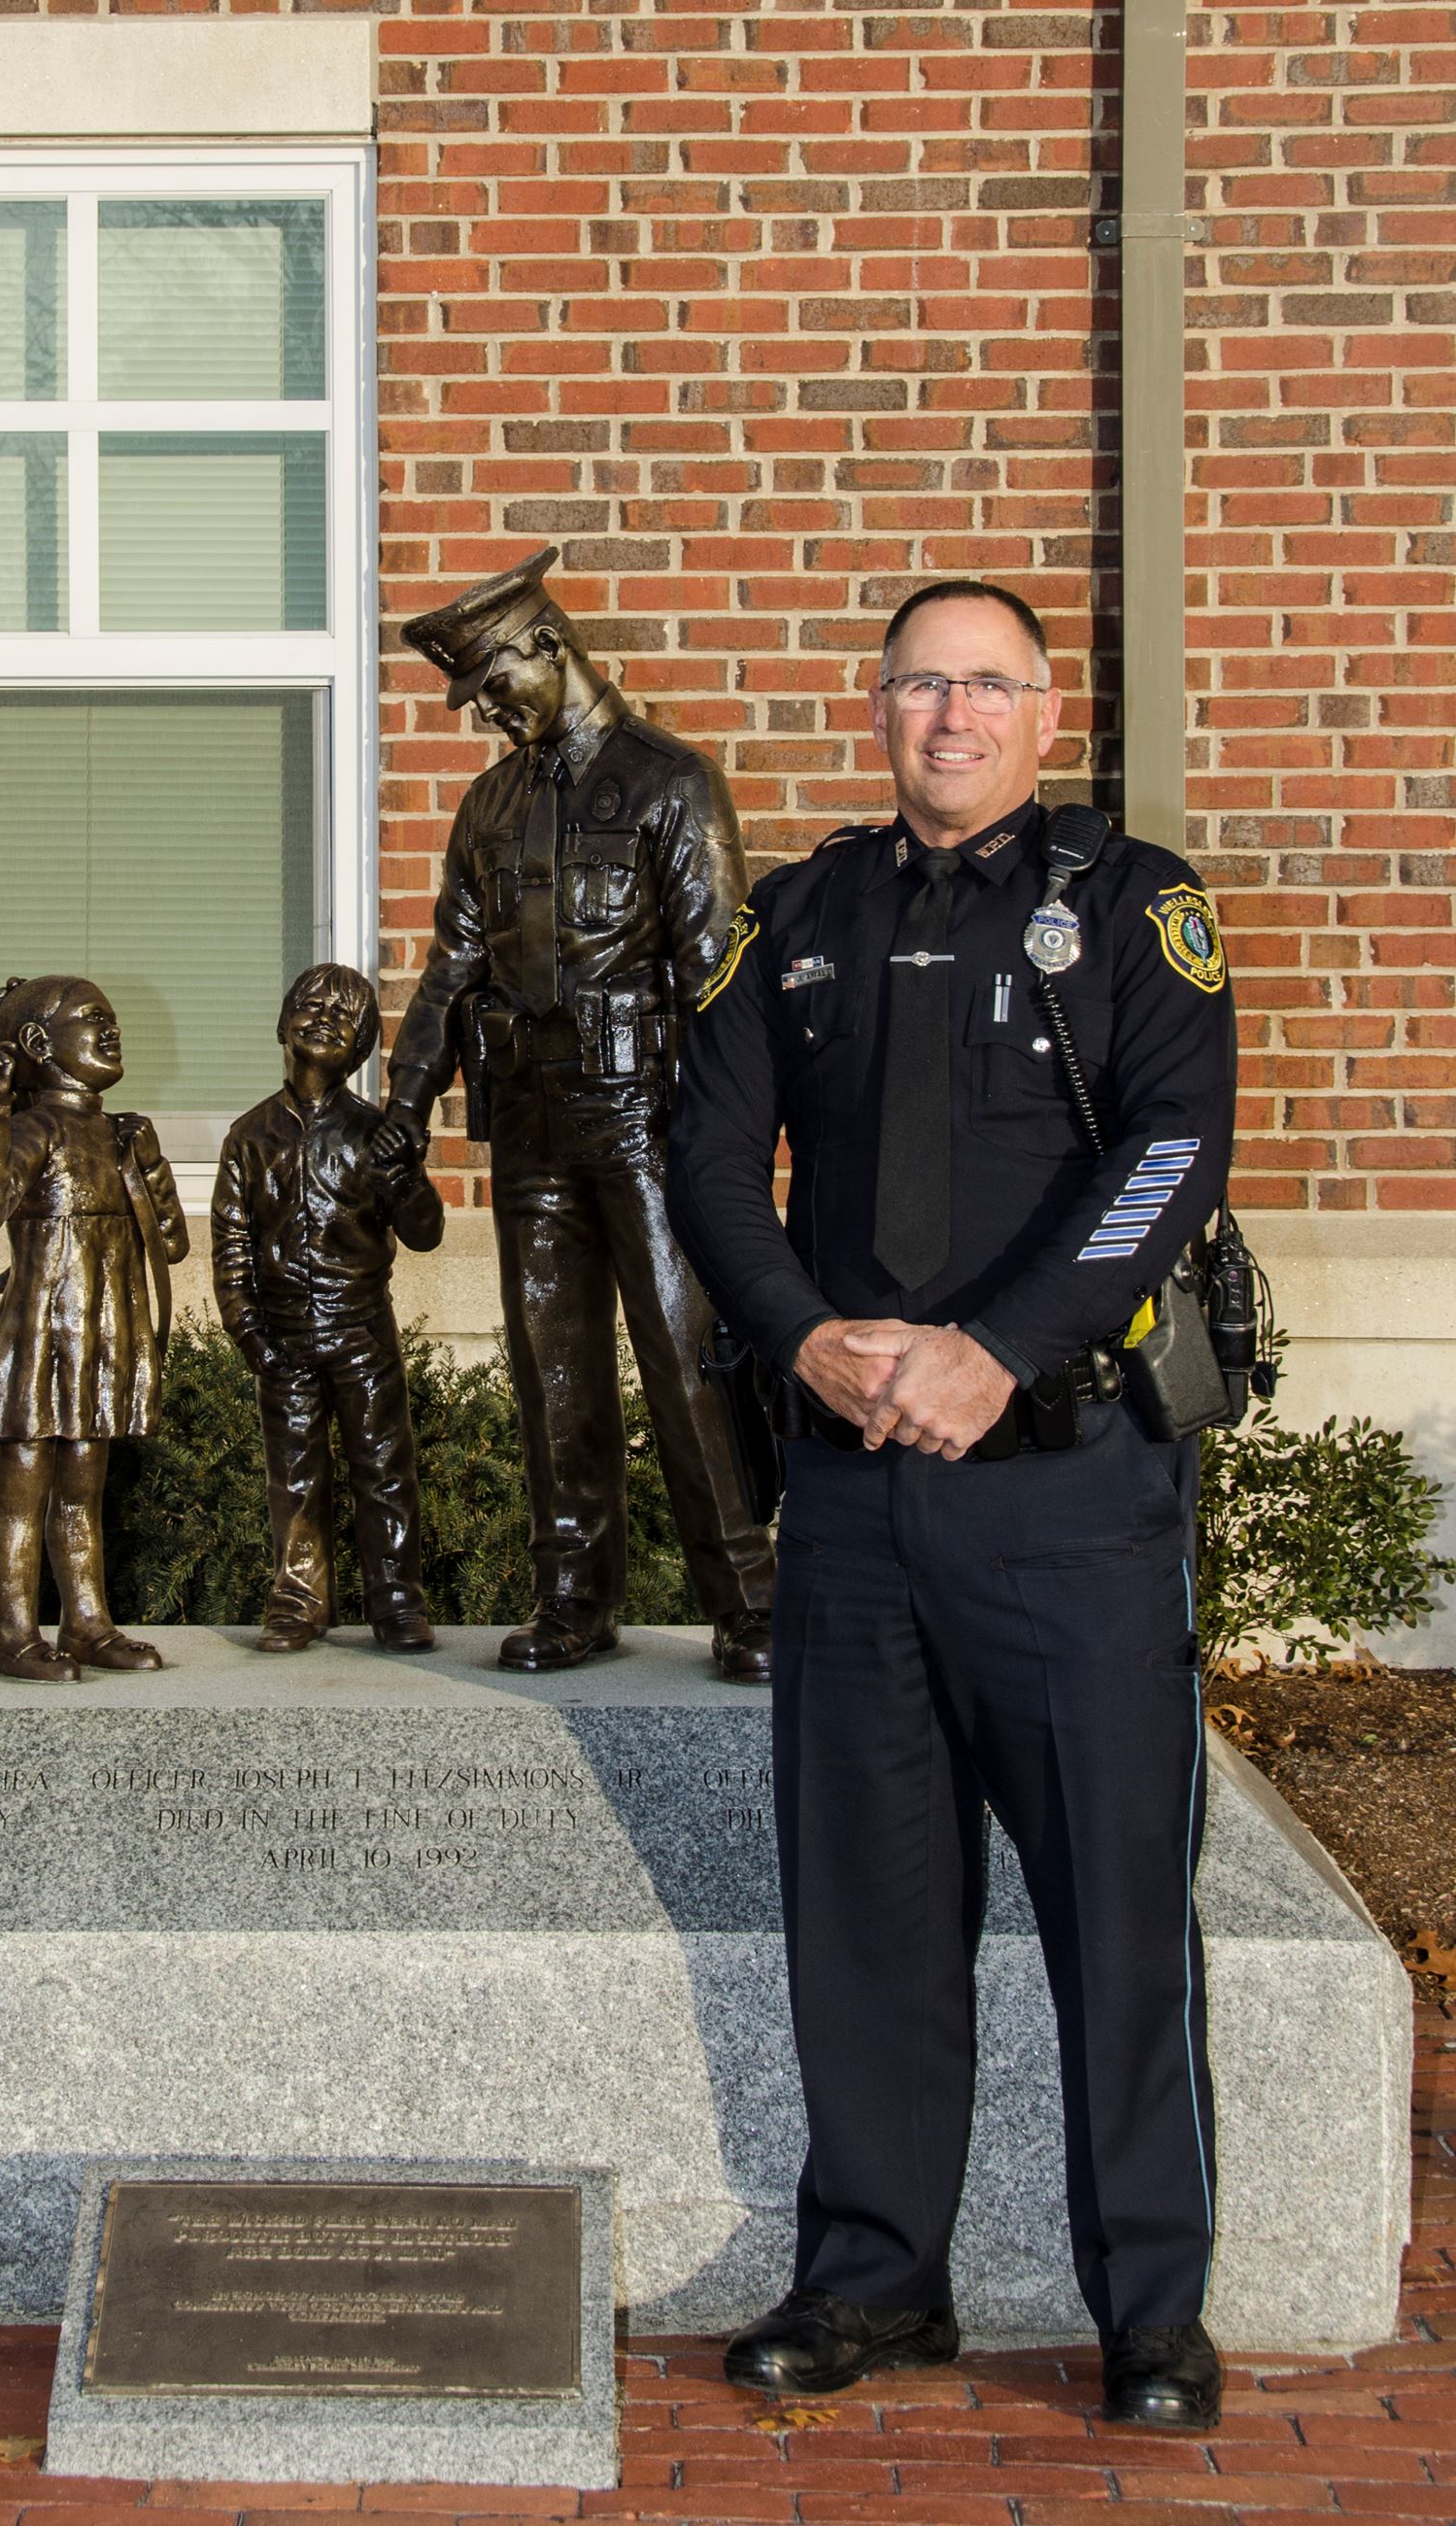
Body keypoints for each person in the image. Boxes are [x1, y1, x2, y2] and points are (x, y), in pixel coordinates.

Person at [665, 581, 1236, 2431]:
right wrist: (799, 1337)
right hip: (851, 1510)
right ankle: (874, 2282)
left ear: (1042, 710)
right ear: (881, 706)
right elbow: (705, 1157)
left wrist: (1000, 1346)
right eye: (922, 685)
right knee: (869, 1912)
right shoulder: (798, 916)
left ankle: (1149, 2306)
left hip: (1063, 1504)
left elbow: (1176, 1148)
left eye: (986, 686)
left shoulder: (1133, 909)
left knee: (1118, 1913)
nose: (952, 717)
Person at [370, 546, 777, 1678]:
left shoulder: (669, 782)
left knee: (685, 1361)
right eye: (477, 698)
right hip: (532, 1121)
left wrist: (727, 1152)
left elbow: (717, 982)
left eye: (498, 684)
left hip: (646, 1121)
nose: (490, 711)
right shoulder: (491, 802)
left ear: (550, 647)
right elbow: (452, 967)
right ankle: (572, 1599)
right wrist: (404, 1100)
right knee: (551, 1370)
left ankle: (749, 1602)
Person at [0, 973, 191, 1683]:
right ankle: (15, 1633)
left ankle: (88, 1622)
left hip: (100, 1336)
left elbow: (172, 1243)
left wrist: (147, 1166)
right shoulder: (35, 1128)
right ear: (39, 1042)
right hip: (40, 1337)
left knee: (83, 1493)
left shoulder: (119, 1133)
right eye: (94, 1018)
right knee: (24, 1490)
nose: (111, 1028)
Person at [212, 963, 443, 1655]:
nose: (323, 1019)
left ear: (362, 1047)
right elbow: (230, 1247)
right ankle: (298, 1597)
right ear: (282, 1024)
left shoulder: (374, 1135)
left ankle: (396, 1597)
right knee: (293, 1472)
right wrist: (249, 1335)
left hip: (361, 1331)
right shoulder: (248, 1138)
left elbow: (425, 1232)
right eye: (309, 1005)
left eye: (344, 1017)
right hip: (281, 1334)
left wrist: (405, 1175)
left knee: (381, 1464)